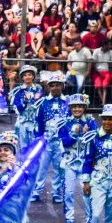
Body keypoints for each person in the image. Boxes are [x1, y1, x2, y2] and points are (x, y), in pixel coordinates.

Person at [58, 93, 98, 223]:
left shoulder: (91, 122)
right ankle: (69, 218)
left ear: (84, 107)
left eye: (80, 107)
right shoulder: (64, 123)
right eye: (74, 107)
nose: (77, 109)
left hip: (85, 163)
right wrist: (74, 134)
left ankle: (89, 219)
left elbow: (95, 142)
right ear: (70, 108)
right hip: (69, 161)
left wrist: (88, 133)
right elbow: (64, 142)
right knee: (68, 192)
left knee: (87, 192)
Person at [33, 71, 70, 203]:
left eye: (58, 85)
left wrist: (68, 138)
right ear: (49, 87)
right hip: (46, 140)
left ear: (62, 86)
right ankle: (36, 191)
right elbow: (38, 121)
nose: (55, 88)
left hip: (61, 141)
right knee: (42, 167)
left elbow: (71, 121)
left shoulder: (68, 102)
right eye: (52, 85)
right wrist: (39, 138)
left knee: (59, 168)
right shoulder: (43, 102)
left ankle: (56, 192)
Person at [8, 65, 43, 150]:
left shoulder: (38, 89)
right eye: (25, 75)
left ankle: (35, 163)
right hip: (23, 121)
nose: (28, 77)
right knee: (23, 146)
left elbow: (41, 106)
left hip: (35, 122)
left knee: (35, 146)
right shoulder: (19, 90)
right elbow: (18, 107)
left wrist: (36, 100)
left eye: (30, 75)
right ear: (22, 77)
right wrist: (27, 100)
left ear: (33, 76)